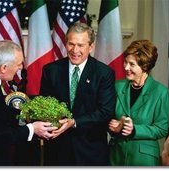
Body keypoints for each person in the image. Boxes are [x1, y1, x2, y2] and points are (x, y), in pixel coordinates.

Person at [40, 23, 116, 166]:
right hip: (57, 152)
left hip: (90, 151)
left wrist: (74, 122)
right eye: (71, 44)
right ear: (66, 43)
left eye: (81, 45)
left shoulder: (103, 73)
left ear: (91, 47)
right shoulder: (50, 71)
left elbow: (106, 112)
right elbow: (44, 106)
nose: (75, 50)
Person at [108, 40, 169, 166]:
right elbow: (108, 117)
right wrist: (114, 126)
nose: (126, 67)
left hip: (144, 159)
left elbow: (161, 129)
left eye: (132, 64)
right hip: (116, 156)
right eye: (125, 62)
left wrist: (135, 129)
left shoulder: (161, 92)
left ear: (145, 66)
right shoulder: (117, 86)